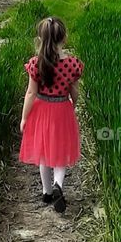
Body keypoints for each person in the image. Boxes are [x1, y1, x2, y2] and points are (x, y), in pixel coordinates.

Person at [19, 16, 82, 213]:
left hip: (41, 109)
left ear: (40, 38)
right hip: (62, 109)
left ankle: (47, 193)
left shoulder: (36, 63)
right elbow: (75, 92)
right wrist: (73, 104)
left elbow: (31, 93)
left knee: (43, 153)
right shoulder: (72, 64)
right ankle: (58, 186)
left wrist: (24, 117)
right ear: (64, 38)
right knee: (60, 153)